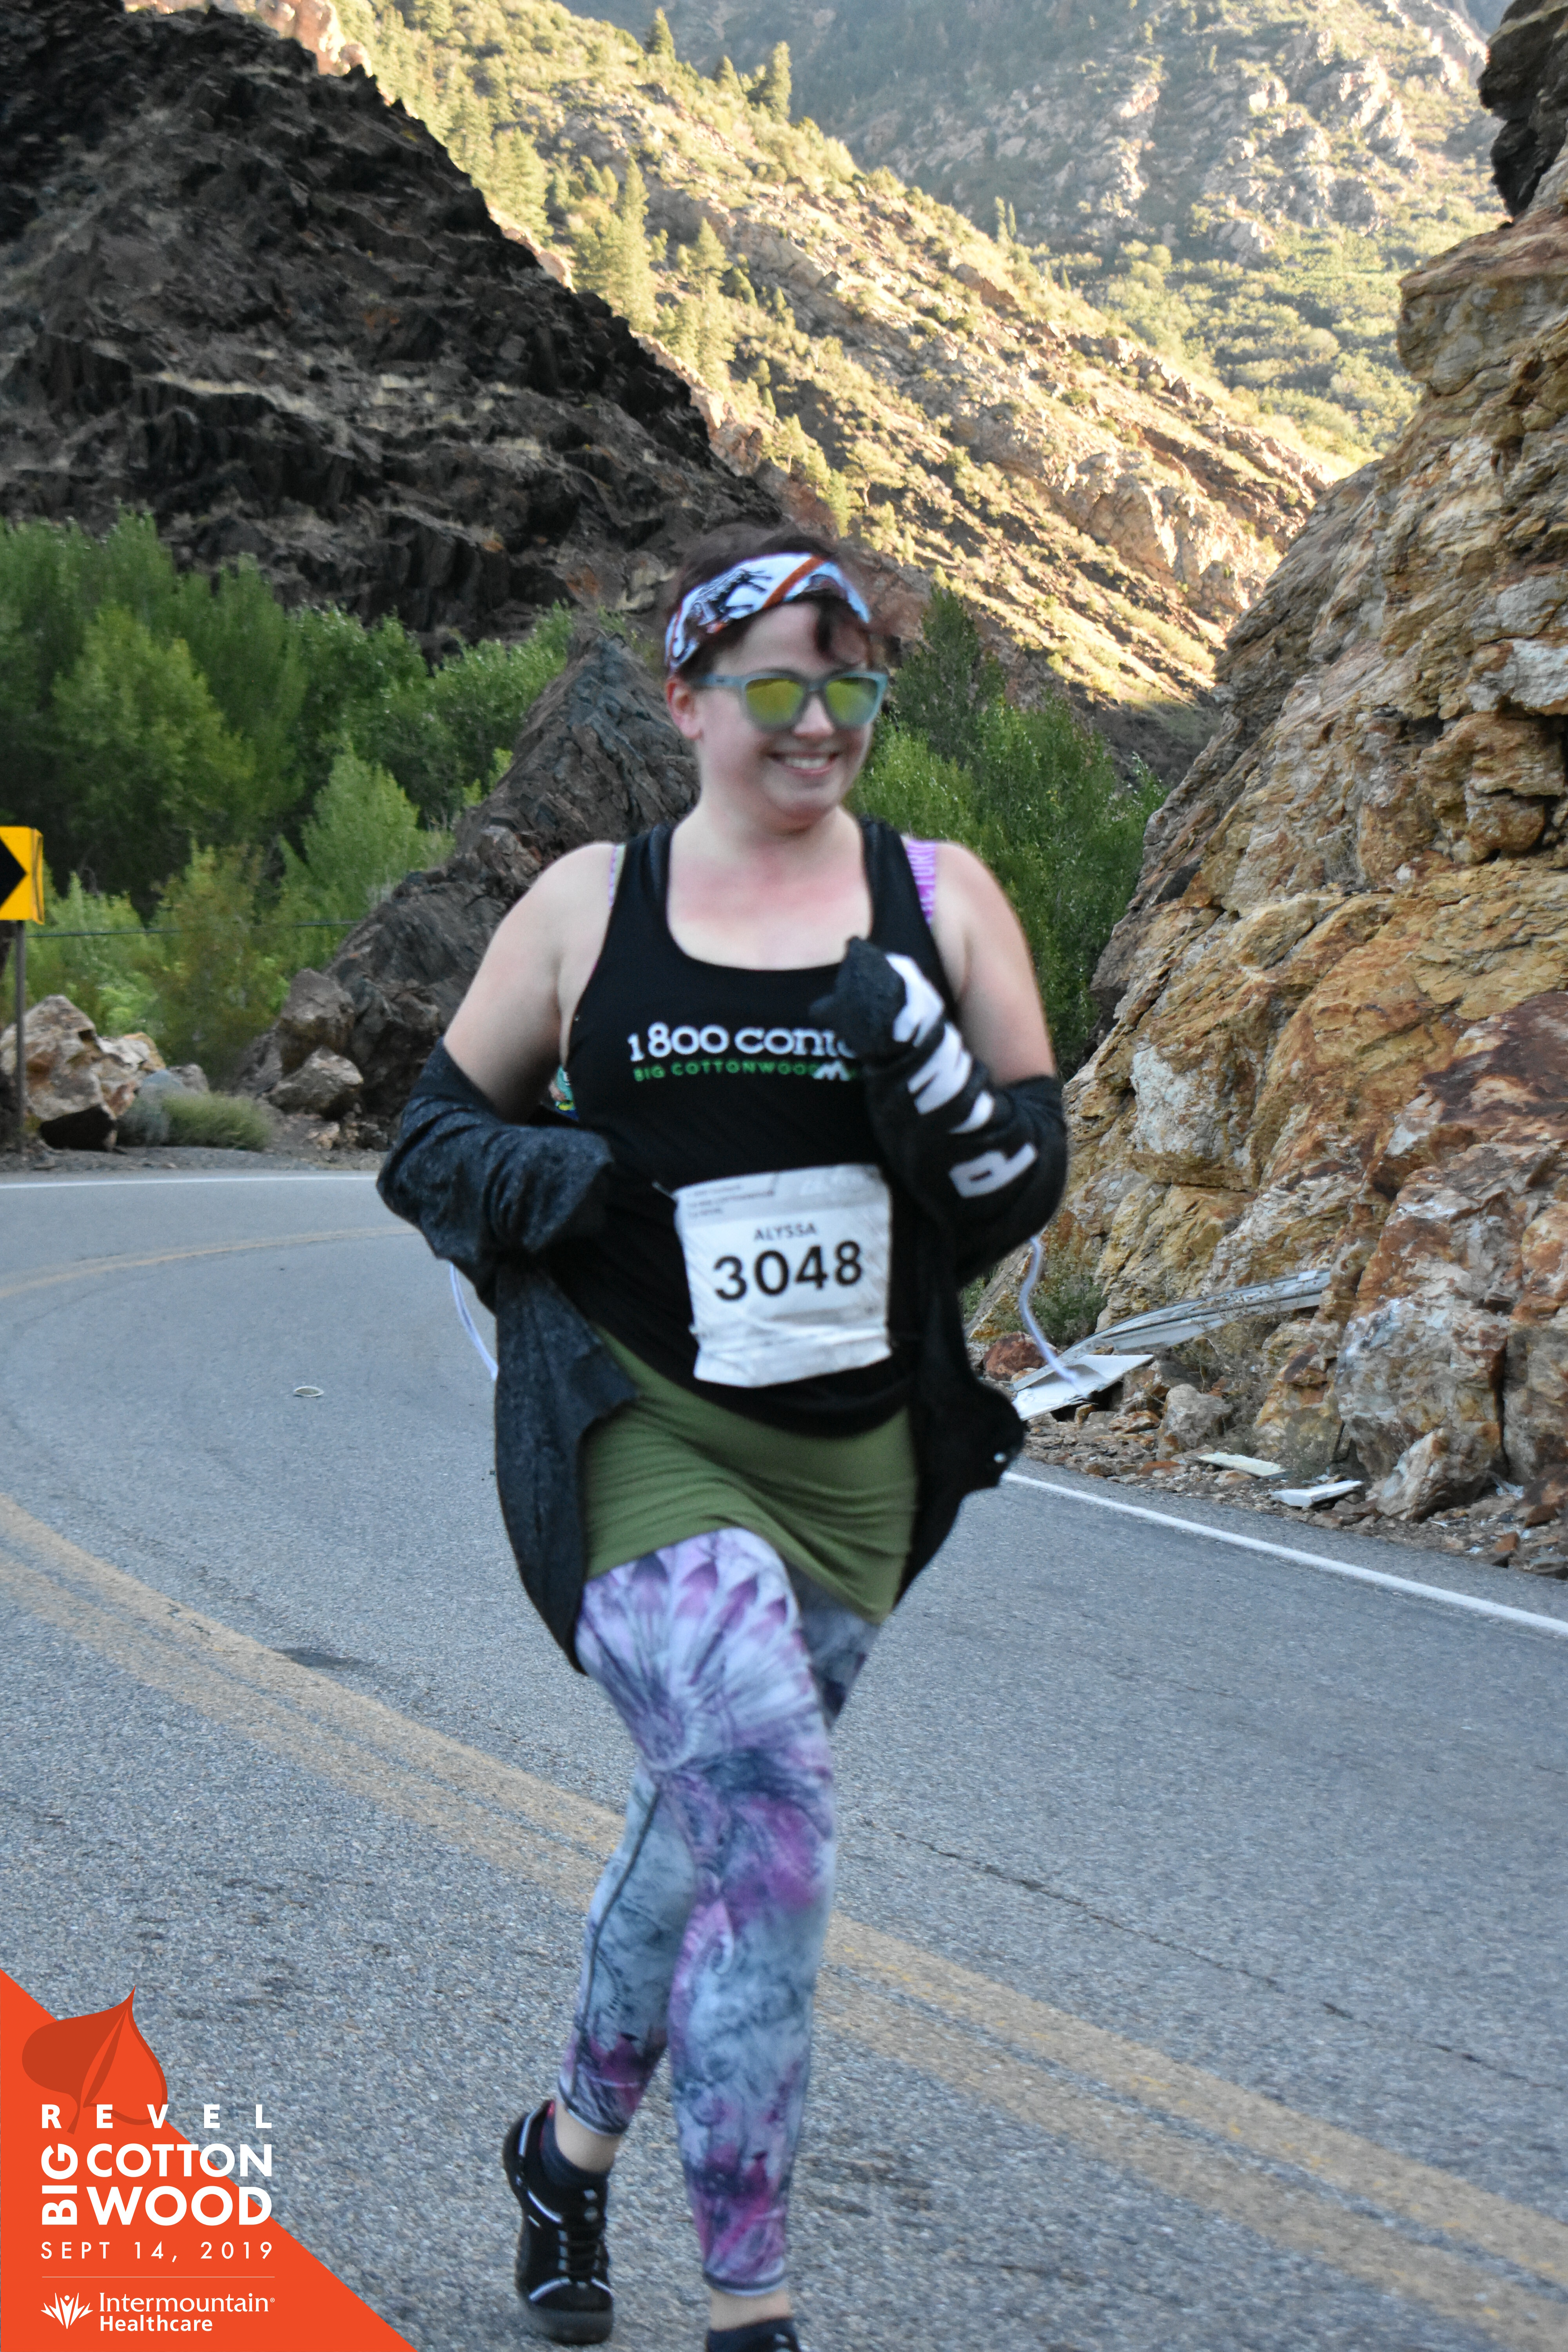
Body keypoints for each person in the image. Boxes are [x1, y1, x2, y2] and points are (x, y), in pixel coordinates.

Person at [378, 525, 1068, 2352]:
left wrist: (932, 1082)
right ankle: (750, 2306)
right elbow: (428, 1145)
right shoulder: (587, 910)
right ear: (686, 700)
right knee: (770, 1816)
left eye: (850, 685)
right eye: (775, 685)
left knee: (702, 1839)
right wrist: (569, 1179)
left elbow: (1025, 1176)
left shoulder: (946, 901)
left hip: (859, 1469)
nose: (817, 721)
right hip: (640, 1431)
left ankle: (563, 2154)